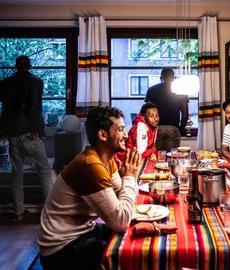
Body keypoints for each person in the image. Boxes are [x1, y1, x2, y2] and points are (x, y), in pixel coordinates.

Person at [37, 106, 141, 269]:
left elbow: (120, 195)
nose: (126, 135)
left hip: (82, 232)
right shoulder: (91, 165)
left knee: (133, 235)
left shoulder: (106, 159)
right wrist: (129, 177)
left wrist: (127, 179)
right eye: (121, 130)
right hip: (60, 249)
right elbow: (120, 220)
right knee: (127, 251)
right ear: (102, 135)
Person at [0, 55, 52, 222]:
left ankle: (19, 212)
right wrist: (38, 129)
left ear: (16, 66)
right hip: (29, 133)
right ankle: (51, 213)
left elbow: (6, 108)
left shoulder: (5, 82)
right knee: (44, 169)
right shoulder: (35, 81)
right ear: (29, 66)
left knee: (17, 173)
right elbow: (35, 107)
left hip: (12, 133)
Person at [145, 67, 189, 152]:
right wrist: (180, 129)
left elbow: (147, 112)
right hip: (173, 128)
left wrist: (150, 129)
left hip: (157, 129)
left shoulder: (151, 90)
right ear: (173, 78)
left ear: (161, 78)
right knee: (172, 159)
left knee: (156, 159)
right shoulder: (181, 90)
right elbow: (185, 114)